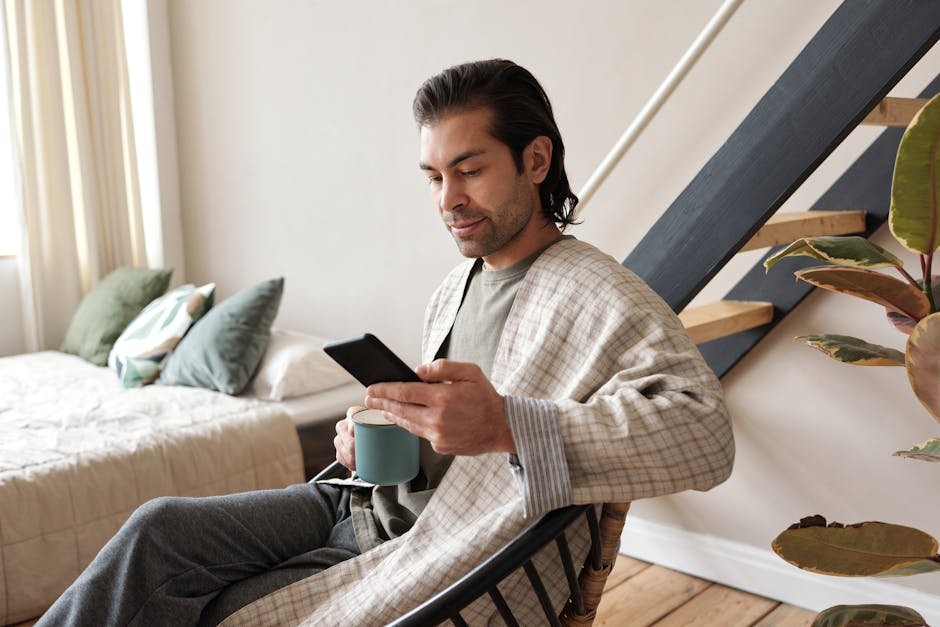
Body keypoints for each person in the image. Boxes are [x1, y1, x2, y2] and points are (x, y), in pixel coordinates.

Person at [39, 59, 734, 626]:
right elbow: (445, 433)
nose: (447, 199)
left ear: (536, 159)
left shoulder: (599, 292)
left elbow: (705, 435)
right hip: (355, 502)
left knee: (212, 608)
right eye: (434, 177)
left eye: (469, 169)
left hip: (426, 546)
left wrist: (506, 425)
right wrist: (376, 432)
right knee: (157, 530)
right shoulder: (455, 286)